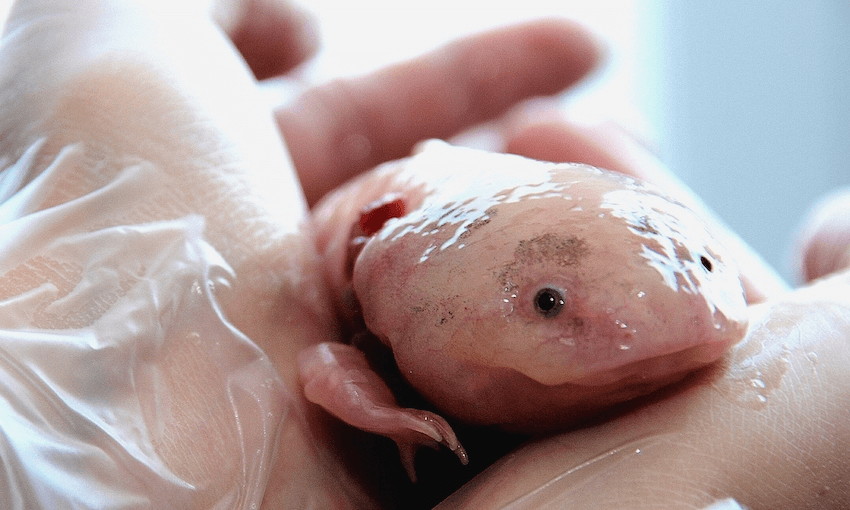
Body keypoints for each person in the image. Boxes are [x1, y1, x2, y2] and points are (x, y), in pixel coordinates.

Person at [0, 1, 846, 509]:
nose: (668, 319)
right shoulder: (366, 305)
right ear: (373, 265)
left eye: (696, 268)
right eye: (549, 304)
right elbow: (329, 368)